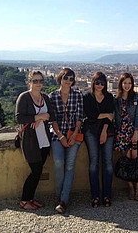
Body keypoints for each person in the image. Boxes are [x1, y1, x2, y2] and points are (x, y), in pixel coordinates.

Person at [15, 70, 55, 210]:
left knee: (38, 170)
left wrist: (44, 116)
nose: (38, 83)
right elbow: (19, 118)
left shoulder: (45, 97)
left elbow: (51, 115)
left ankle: (30, 198)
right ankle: (24, 200)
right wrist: (38, 117)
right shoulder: (24, 97)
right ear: (29, 82)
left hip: (44, 139)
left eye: (41, 81)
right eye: (35, 81)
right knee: (35, 170)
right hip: (30, 140)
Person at [49, 68, 83, 213]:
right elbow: (52, 119)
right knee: (58, 163)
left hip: (74, 135)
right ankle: (60, 193)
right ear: (60, 78)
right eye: (66, 78)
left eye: (71, 79)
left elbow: (80, 117)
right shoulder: (53, 96)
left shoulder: (78, 95)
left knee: (69, 166)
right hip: (58, 134)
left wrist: (74, 134)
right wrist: (61, 136)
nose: (68, 81)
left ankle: (63, 200)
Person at [83, 72, 115, 208]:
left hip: (106, 132)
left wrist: (104, 130)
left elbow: (111, 117)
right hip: (91, 131)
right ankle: (95, 195)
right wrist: (105, 114)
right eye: (97, 83)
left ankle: (107, 195)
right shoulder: (87, 97)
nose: (99, 85)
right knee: (94, 163)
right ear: (93, 83)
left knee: (108, 163)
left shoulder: (109, 97)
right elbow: (90, 116)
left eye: (102, 83)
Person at [114, 72, 138, 201]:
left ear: (132, 84)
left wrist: (136, 132)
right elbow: (116, 116)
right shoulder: (117, 99)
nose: (127, 85)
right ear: (121, 84)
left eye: (129, 83)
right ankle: (130, 187)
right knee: (126, 160)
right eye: (124, 83)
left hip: (134, 130)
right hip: (122, 131)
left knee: (136, 159)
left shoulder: (136, 97)